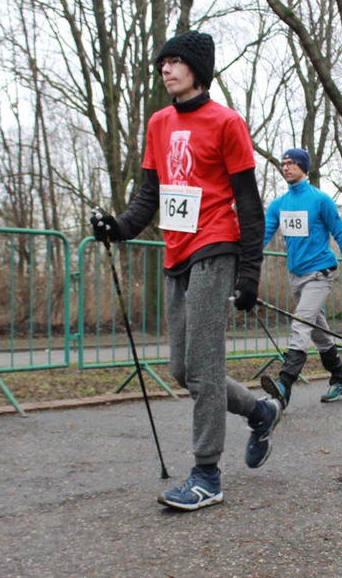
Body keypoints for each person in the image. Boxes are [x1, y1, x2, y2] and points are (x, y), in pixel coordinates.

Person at [90, 30, 281, 511]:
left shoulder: (227, 122)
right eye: (162, 63)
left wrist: (250, 273)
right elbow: (149, 196)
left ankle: (207, 475)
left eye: (174, 61)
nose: (165, 69)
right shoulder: (158, 123)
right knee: (183, 370)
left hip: (216, 246)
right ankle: (260, 411)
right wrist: (118, 227)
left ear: (197, 69)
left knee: (205, 365)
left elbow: (249, 204)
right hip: (175, 253)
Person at [259, 147, 342, 407]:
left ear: (303, 167)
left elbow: (341, 235)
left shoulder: (320, 200)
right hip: (296, 276)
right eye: (283, 163)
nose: (285, 167)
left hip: (319, 274)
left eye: (291, 163)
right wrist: (242, 262)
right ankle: (339, 379)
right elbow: (262, 237)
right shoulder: (278, 205)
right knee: (318, 332)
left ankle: (284, 383)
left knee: (301, 323)